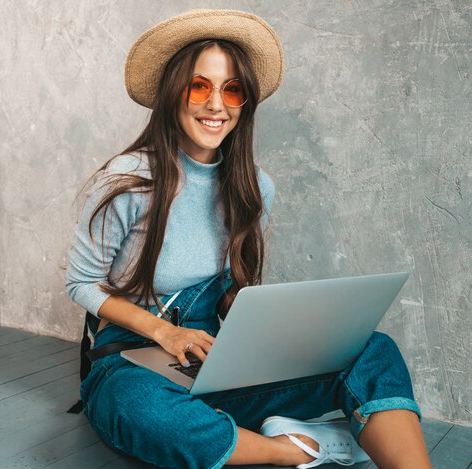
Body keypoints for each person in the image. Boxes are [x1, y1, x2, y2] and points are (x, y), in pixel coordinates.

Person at [66, 9, 431, 469]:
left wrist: (271, 330)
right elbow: (80, 284)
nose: (216, 105)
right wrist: (166, 331)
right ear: (172, 93)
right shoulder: (127, 181)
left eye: (231, 89)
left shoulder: (254, 187)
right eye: (199, 86)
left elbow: (233, 292)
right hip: (132, 362)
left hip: (217, 365)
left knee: (372, 350)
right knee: (137, 409)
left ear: (244, 102)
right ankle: (292, 448)